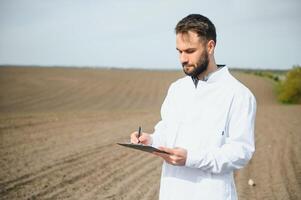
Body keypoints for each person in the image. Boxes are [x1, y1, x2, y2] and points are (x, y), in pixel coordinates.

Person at [130, 14, 256, 200]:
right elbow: (167, 131)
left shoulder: (238, 94)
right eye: (179, 51)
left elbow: (240, 152)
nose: (182, 58)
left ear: (210, 46)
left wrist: (190, 158)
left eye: (189, 51)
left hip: (212, 194)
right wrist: (150, 140)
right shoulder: (177, 89)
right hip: (171, 192)